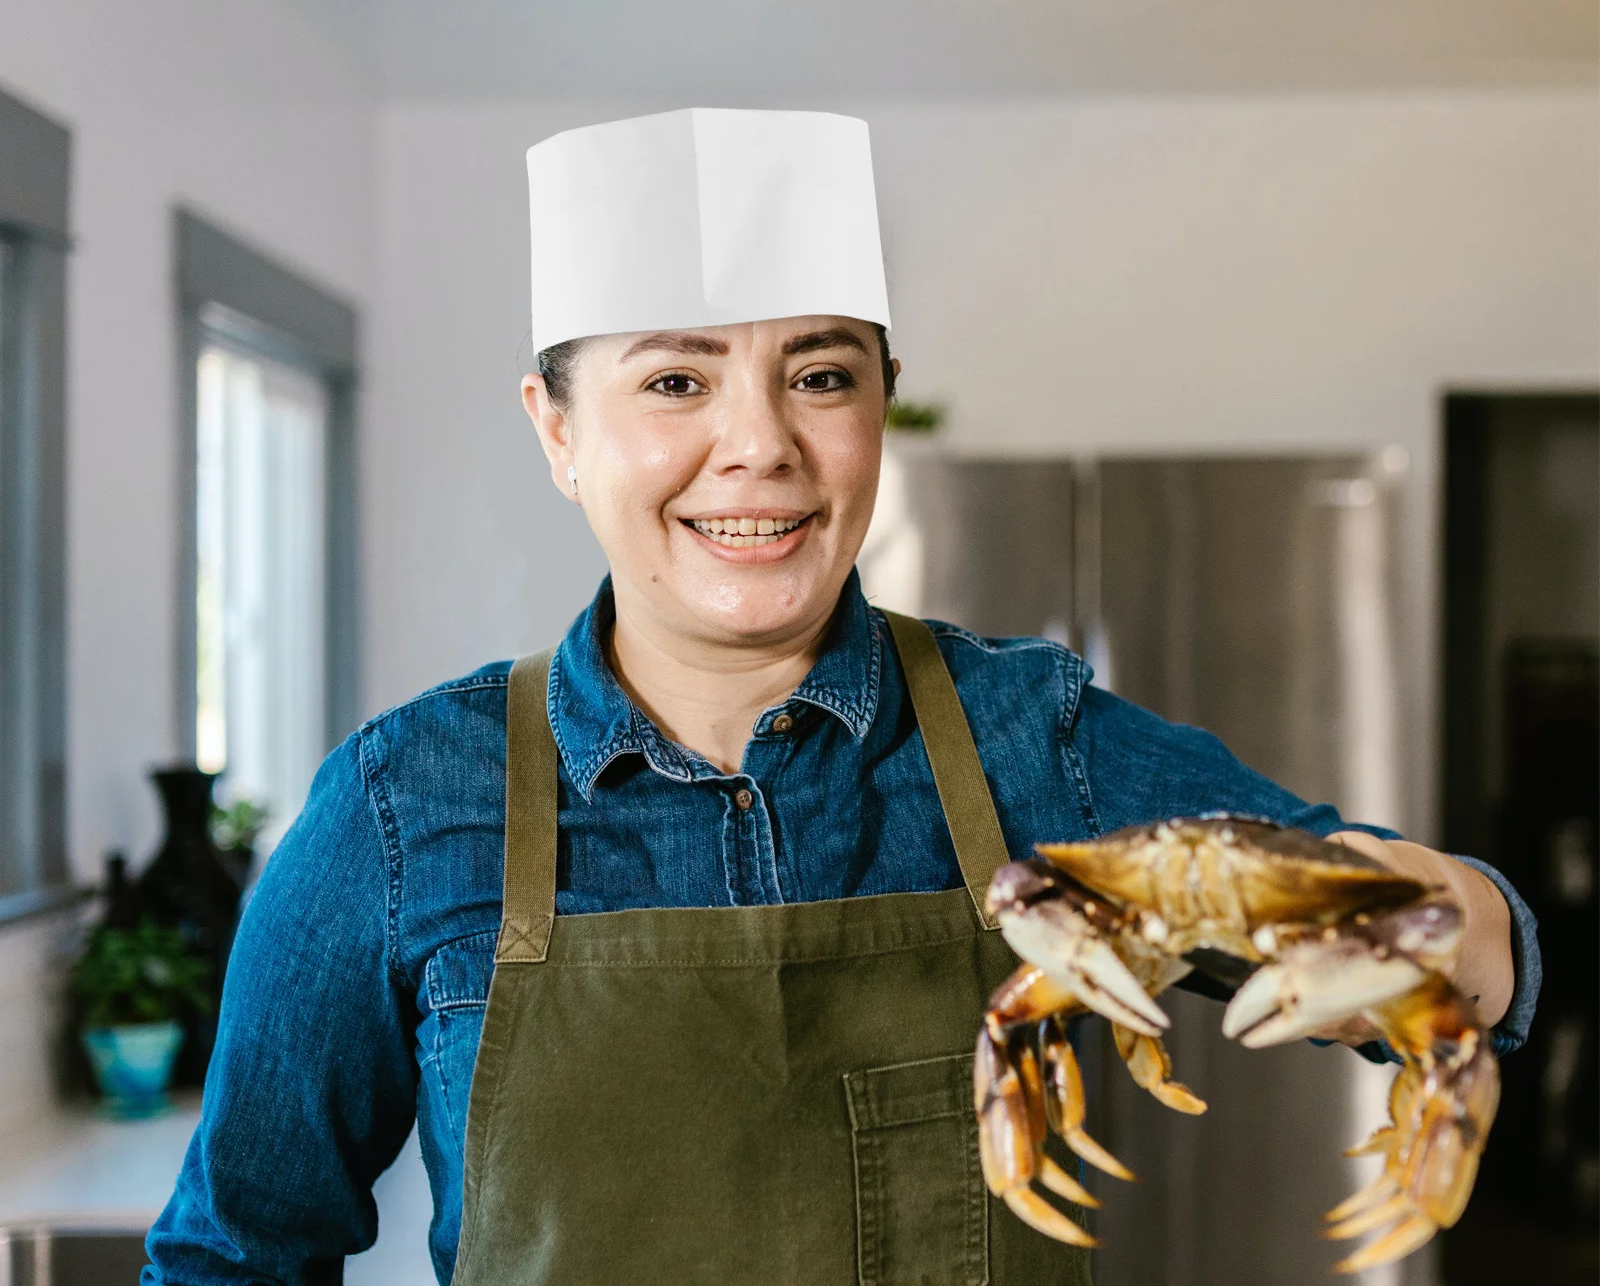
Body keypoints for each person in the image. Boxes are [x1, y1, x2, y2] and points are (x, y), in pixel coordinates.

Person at [145, 109, 1538, 1285]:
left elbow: (1444, 936)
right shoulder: (402, 809)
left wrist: (1448, 924)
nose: (760, 445)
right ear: (557, 429)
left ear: (880, 403)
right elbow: (233, 1256)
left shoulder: (1031, 743)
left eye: (819, 376)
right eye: (675, 380)